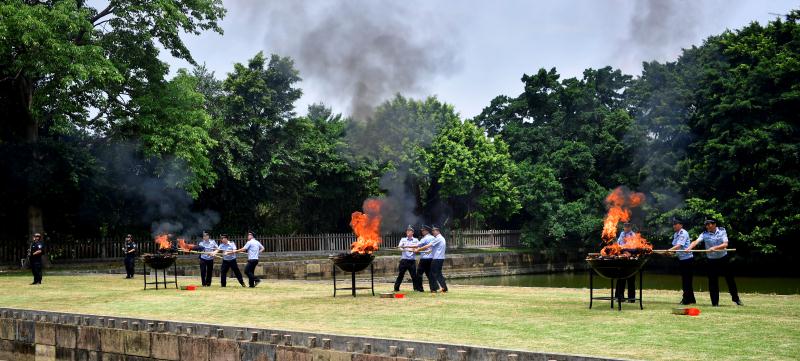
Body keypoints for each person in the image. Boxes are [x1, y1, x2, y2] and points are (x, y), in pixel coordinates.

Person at [687, 219, 742, 306]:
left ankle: (736, 299)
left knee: (730, 279)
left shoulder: (722, 231)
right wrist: (689, 247)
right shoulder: (704, 234)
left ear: (714, 224)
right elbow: (696, 241)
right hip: (711, 260)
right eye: (706, 225)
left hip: (723, 258)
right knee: (713, 281)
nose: (707, 226)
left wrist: (714, 248)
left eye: (709, 225)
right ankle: (715, 303)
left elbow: (725, 244)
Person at [667, 218, 695, 305]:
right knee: (686, 280)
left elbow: (679, 246)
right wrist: (670, 253)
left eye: (675, 224)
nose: (674, 226)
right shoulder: (676, 234)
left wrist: (669, 250)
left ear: (681, 225)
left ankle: (686, 300)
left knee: (686, 281)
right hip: (682, 259)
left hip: (687, 260)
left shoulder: (683, 233)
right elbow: (675, 247)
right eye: (673, 224)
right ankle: (691, 299)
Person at [394, 225, 421, 292]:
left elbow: (419, 248)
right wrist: (402, 249)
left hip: (412, 261)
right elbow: (399, 247)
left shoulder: (416, 240)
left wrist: (416, 250)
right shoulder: (403, 239)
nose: (408, 232)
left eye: (409, 231)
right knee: (400, 275)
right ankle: (396, 288)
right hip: (404, 260)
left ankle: (416, 289)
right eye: (407, 231)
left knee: (414, 276)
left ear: (412, 232)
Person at [615, 222, 637, 303]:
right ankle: (619, 297)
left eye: (628, 226)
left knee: (631, 279)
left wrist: (625, 249)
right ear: (623, 227)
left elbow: (633, 247)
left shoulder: (633, 235)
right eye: (625, 227)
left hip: (630, 258)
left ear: (631, 227)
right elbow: (619, 244)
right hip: (622, 258)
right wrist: (622, 249)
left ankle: (631, 298)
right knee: (620, 278)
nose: (626, 228)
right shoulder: (622, 234)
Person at [414, 225, 435, 292]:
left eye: (423, 230)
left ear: (426, 231)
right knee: (430, 274)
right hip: (431, 258)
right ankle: (433, 289)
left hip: (424, 259)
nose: (422, 232)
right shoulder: (433, 238)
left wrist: (407, 246)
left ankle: (420, 289)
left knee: (419, 274)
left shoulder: (425, 239)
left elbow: (417, 245)